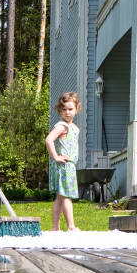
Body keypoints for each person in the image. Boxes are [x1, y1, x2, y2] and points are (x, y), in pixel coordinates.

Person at [45, 92, 81, 231]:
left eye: (70, 109)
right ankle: (71, 227)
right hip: (64, 166)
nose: (67, 112)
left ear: (76, 109)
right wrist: (55, 157)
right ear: (59, 110)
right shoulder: (62, 126)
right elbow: (49, 140)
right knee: (66, 196)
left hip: (68, 166)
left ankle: (55, 227)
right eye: (64, 109)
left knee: (60, 198)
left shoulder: (73, 127)